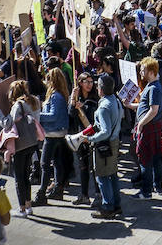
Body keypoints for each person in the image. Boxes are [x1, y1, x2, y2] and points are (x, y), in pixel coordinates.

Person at [0, 80, 42, 218]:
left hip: (20, 144)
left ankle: (22, 209)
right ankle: (28, 205)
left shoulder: (17, 105)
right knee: (26, 175)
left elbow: (7, 124)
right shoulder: (33, 101)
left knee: (19, 177)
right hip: (31, 142)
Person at [125, 57, 162, 199]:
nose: (141, 73)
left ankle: (146, 191)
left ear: (151, 72)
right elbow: (145, 105)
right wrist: (131, 106)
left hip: (149, 127)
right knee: (155, 159)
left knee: (145, 160)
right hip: (152, 127)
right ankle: (158, 186)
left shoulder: (154, 88)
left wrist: (141, 124)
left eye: (143, 70)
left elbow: (153, 110)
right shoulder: (152, 85)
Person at [88, 74, 124, 219]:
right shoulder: (116, 100)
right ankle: (116, 205)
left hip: (105, 145)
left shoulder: (104, 106)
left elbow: (105, 131)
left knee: (102, 176)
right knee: (113, 174)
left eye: (98, 86)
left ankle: (108, 207)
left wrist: (90, 138)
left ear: (101, 89)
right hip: (114, 142)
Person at [34, 67, 69, 206]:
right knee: (57, 163)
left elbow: (53, 116)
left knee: (45, 164)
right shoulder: (61, 95)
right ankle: (58, 190)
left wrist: (37, 116)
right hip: (59, 132)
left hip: (53, 133)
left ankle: (42, 193)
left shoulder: (55, 96)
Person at [69, 71, 99, 206]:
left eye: (91, 82)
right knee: (83, 167)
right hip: (81, 136)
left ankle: (98, 195)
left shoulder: (95, 98)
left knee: (94, 168)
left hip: (93, 136)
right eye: (87, 82)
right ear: (80, 83)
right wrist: (72, 99)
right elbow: (71, 115)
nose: (90, 85)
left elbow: (95, 115)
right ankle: (84, 195)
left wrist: (84, 107)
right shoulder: (76, 98)